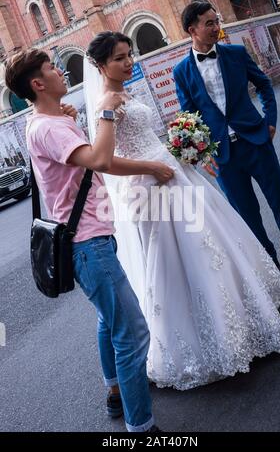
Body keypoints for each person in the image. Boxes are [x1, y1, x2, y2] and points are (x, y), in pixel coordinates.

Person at [84, 31, 280, 391]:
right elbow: (106, 162)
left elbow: (144, 137)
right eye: (119, 58)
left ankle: (239, 323)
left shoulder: (125, 93)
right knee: (178, 260)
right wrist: (152, 168)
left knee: (210, 245)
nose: (128, 62)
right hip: (151, 188)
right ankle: (202, 344)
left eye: (129, 54)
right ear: (101, 65)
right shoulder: (107, 102)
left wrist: (180, 147)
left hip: (172, 172)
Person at [4, 49, 163, 433]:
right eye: (52, 69)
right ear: (38, 84)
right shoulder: (50, 127)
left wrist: (71, 121)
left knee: (109, 322)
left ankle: (114, 392)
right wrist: (105, 110)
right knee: (132, 331)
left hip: (88, 237)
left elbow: (84, 162)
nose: (61, 71)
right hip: (88, 243)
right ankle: (141, 428)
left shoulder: (43, 121)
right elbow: (103, 160)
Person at [173, 1, 280, 287]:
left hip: (255, 140)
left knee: (279, 200)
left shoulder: (236, 53)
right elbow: (188, 115)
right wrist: (202, 154)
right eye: (209, 23)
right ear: (192, 29)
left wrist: (271, 120)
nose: (216, 27)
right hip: (223, 155)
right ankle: (269, 264)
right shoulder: (181, 71)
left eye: (216, 21)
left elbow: (265, 85)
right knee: (246, 214)